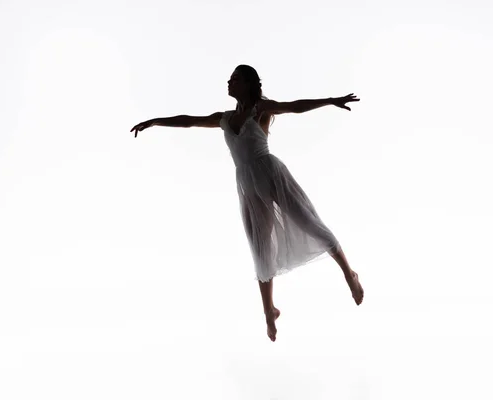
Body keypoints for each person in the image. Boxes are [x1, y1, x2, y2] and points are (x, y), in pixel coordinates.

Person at [130, 65, 364, 342]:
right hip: (249, 186)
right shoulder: (225, 118)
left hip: (271, 173)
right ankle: (269, 311)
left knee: (308, 223)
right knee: (260, 245)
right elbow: (189, 120)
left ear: (249, 83)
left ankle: (349, 274)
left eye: (235, 78)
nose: (229, 82)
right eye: (229, 78)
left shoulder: (261, 109)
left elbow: (295, 106)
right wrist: (156, 121)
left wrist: (330, 101)